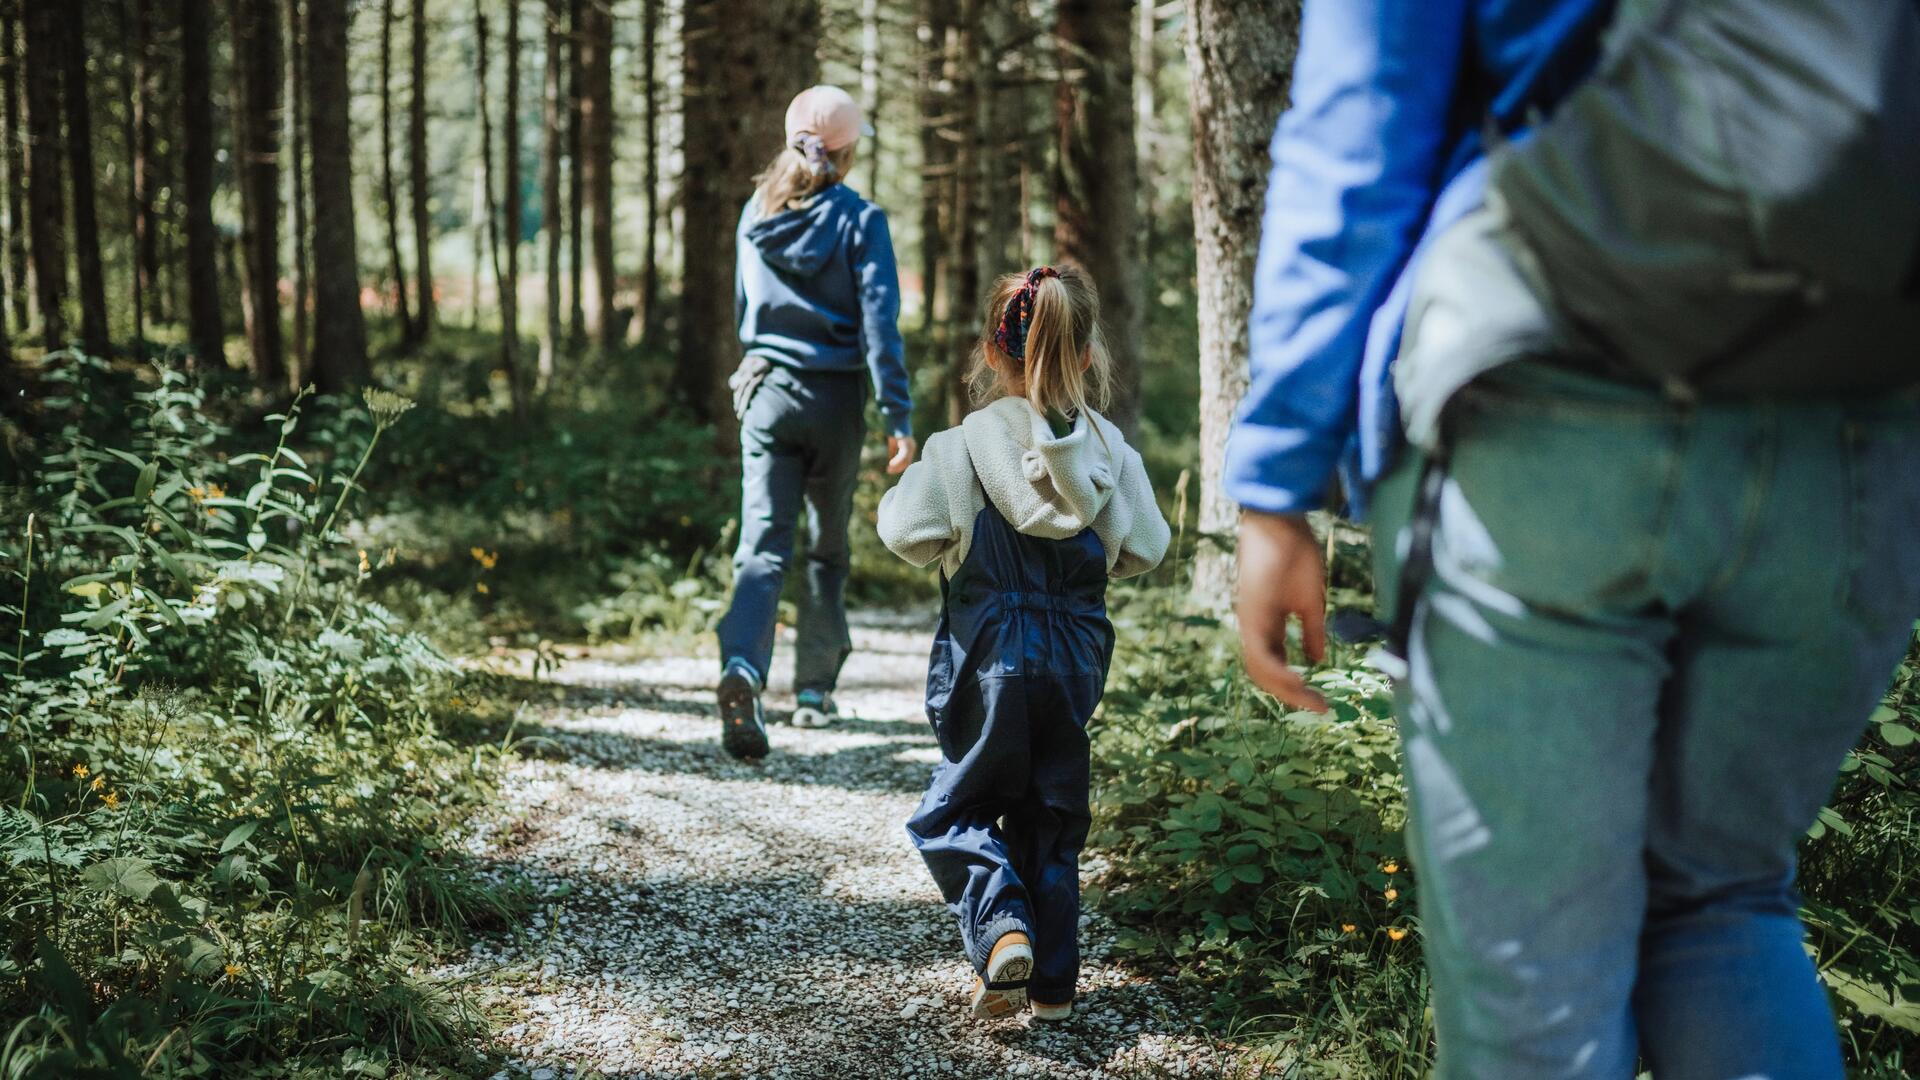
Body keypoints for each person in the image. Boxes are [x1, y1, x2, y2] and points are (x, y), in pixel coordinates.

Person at [1227, 1, 1920, 1077]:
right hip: (1855, 425)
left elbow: (1360, 127)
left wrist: (1276, 485)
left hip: (1551, 395)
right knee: (1727, 901)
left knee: (1535, 1009)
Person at [877, 266, 1170, 1021]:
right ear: (1086, 354)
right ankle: (1055, 988)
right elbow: (1148, 548)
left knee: (956, 808)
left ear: (991, 353)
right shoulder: (1111, 453)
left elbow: (908, 534)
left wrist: (920, 487)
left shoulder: (961, 447)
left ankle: (1002, 926)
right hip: (1076, 656)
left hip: (989, 656)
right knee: (1052, 813)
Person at [716, 85, 916, 760]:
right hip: (835, 401)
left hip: (767, 391)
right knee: (826, 549)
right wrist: (899, 415)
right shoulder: (861, 219)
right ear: (850, 150)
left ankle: (742, 667)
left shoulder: (756, 212)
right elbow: (880, 324)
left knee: (761, 546)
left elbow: (745, 304)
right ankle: (813, 692)